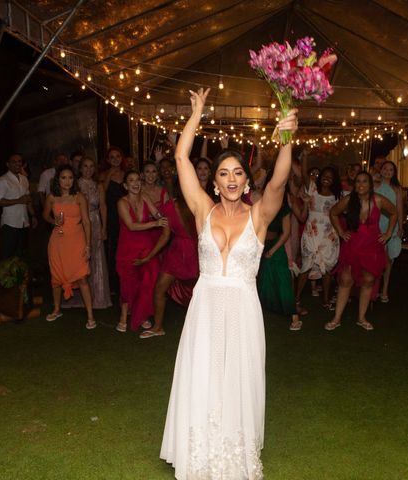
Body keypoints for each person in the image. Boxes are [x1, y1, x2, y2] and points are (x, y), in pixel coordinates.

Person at [160, 87, 297, 479]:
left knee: (238, 377)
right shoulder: (203, 210)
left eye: (238, 172)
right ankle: (199, 447)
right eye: (223, 173)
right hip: (205, 308)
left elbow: (279, 182)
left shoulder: (259, 217)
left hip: (242, 309)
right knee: (204, 374)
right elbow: (181, 157)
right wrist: (196, 114)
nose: (232, 178)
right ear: (215, 182)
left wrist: (286, 136)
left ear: (245, 181)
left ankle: (234, 448)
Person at [326, 171, 398, 331]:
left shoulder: (378, 200)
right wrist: (340, 231)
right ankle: (336, 318)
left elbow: (394, 213)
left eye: (365, 181)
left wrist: (388, 233)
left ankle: (361, 318)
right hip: (353, 244)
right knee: (345, 279)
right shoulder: (348, 200)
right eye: (358, 181)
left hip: (372, 246)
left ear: (370, 184)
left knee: (368, 280)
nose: (361, 184)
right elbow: (333, 213)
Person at [141, 181, 199, 339]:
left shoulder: (202, 204)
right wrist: (150, 255)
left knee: (200, 293)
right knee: (159, 288)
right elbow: (165, 235)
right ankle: (158, 327)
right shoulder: (169, 206)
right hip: (176, 252)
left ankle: (202, 329)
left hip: (197, 252)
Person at [115, 170, 170, 333]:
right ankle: (123, 317)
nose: (135, 183)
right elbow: (131, 226)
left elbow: (157, 214)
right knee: (128, 284)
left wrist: (165, 216)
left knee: (148, 282)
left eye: (138, 179)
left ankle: (143, 314)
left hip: (147, 246)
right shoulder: (121, 202)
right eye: (131, 180)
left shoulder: (145, 197)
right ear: (125, 185)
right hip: (127, 248)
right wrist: (156, 223)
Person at [42, 166, 96, 329]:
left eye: (70, 178)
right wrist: (53, 221)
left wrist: (88, 245)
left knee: (82, 277)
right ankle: (57, 309)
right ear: (58, 179)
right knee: (56, 277)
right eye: (64, 177)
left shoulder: (79, 197)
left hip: (77, 239)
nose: (67, 181)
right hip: (57, 242)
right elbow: (45, 215)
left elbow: (87, 222)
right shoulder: (52, 197)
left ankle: (90, 315)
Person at [63, 157, 112, 309]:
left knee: (96, 260)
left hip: (95, 223)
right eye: (85, 166)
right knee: (79, 258)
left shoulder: (99, 186)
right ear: (80, 168)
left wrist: (104, 228)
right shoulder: (74, 184)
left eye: (91, 166)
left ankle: (97, 297)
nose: (88, 169)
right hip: (78, 224)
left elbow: (103, 206)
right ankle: (78, 296)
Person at [257, 178, 302, 331]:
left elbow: (286, 232)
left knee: (283, 279)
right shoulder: (259, 206)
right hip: (258, 246)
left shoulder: (284, 209)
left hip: (275, 245)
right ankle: (256, 314)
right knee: (262, 280)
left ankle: (294, 316)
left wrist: (273, 249)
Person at [296, 163, 341, 311]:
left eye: (330, 177)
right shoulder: (312, 189)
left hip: (329, 235)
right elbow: (303, 173)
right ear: (320, 177)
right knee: (306, 265)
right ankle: (296, 298)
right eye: (324, 175)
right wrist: (306, 157)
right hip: (312, 232)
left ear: (334, 181)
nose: (326, 178)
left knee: (326, 268)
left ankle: (326, 299)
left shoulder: (337, 196)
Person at [0, 154, 37, 259]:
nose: (18, 164)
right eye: (14, 162)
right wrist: (18, 200)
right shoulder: (3, 180)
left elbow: (27, 199)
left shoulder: (24, 179)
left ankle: (21, 275)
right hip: (10, 223)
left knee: (22, 254)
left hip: (24, 222)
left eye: (19, 161)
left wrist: (33, 215)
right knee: (8, 255)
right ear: (8, 164)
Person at [375, 160, 403, 302]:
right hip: (376, 224)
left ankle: (385, 289)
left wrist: (401, 227)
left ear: (394, 172)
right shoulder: (375, 185)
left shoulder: (397, 188)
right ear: (381, 170)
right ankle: (374, 288)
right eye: (385, 168)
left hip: (391, 225)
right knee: (377, 257)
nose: (387, 171)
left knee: (389, 259)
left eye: (390, 169)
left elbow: (399, 209)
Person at [100, 146, 127, 294]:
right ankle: (112, 285)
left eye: (118, 156)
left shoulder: (126, 174)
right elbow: (101, 195)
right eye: (112, 157)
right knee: (112, 250)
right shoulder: (104, 174)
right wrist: (109, 175)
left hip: (125, 215)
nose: (115, 159)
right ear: (108, 160)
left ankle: (124, 282)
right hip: (110, 216)